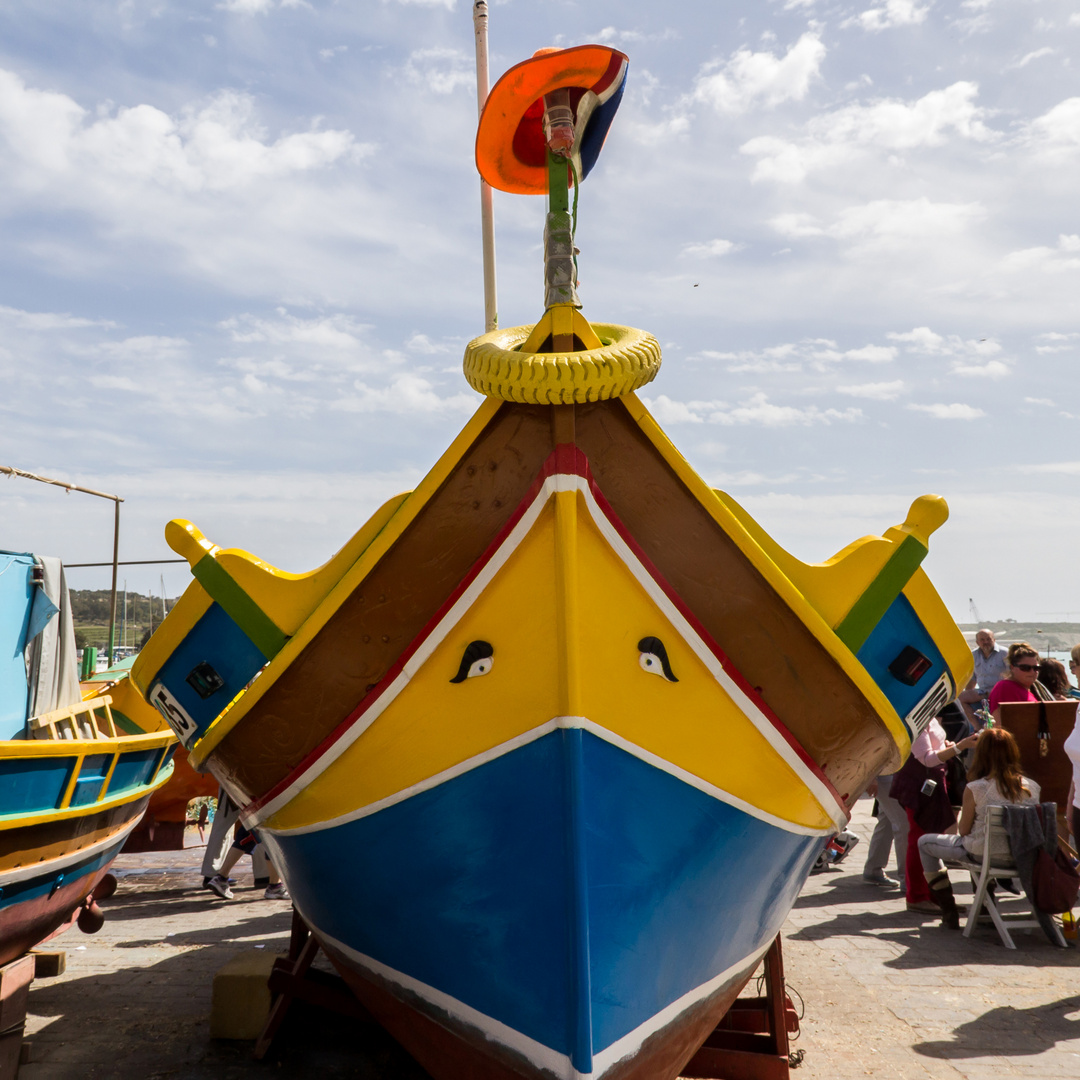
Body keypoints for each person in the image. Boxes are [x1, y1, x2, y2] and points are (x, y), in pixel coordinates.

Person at [916, 727, 1041, 928]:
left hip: (985, 855)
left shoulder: (976, 788)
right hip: (1023, 856)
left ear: (981, 754)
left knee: (925, 843)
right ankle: (984, 906)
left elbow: (964, 831)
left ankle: (949, 910)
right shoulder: (1033, 787)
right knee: (980, 845)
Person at [891, 716, 980, 914]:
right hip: (920, 786)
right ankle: (917, 896)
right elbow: (927, 758)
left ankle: (934, 896)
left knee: (930, 839)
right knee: (919, 840)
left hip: (932, 784)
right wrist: (959, 747)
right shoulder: (915, 719)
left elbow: (932, 751)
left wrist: (948, 746)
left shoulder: (927, 716)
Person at [862, 771, 907, 889]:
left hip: (892, 774)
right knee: (903, 825)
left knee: (887, 822)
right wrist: (872, 777)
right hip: (885, 775)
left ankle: (873, 868)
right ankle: (908, 878)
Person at [988, 642, 1050, 723]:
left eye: (1036, 668)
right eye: (1025, 668)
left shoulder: (1030, 690)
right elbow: (998, 724)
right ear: (1012, 667)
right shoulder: (1005, 687)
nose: (1032, 672)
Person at [959, 629, 1008, 706]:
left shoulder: (1004, 653)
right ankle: (973, 718)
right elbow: (972, 679)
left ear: (994, 640)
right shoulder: (973, 655)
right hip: (982, 692)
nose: (986, 642)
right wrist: (968, 693)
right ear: (977, 642)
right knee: (961, 698)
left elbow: (1012, 675)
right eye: (982, 640)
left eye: (988, 639)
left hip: (1000, 691)